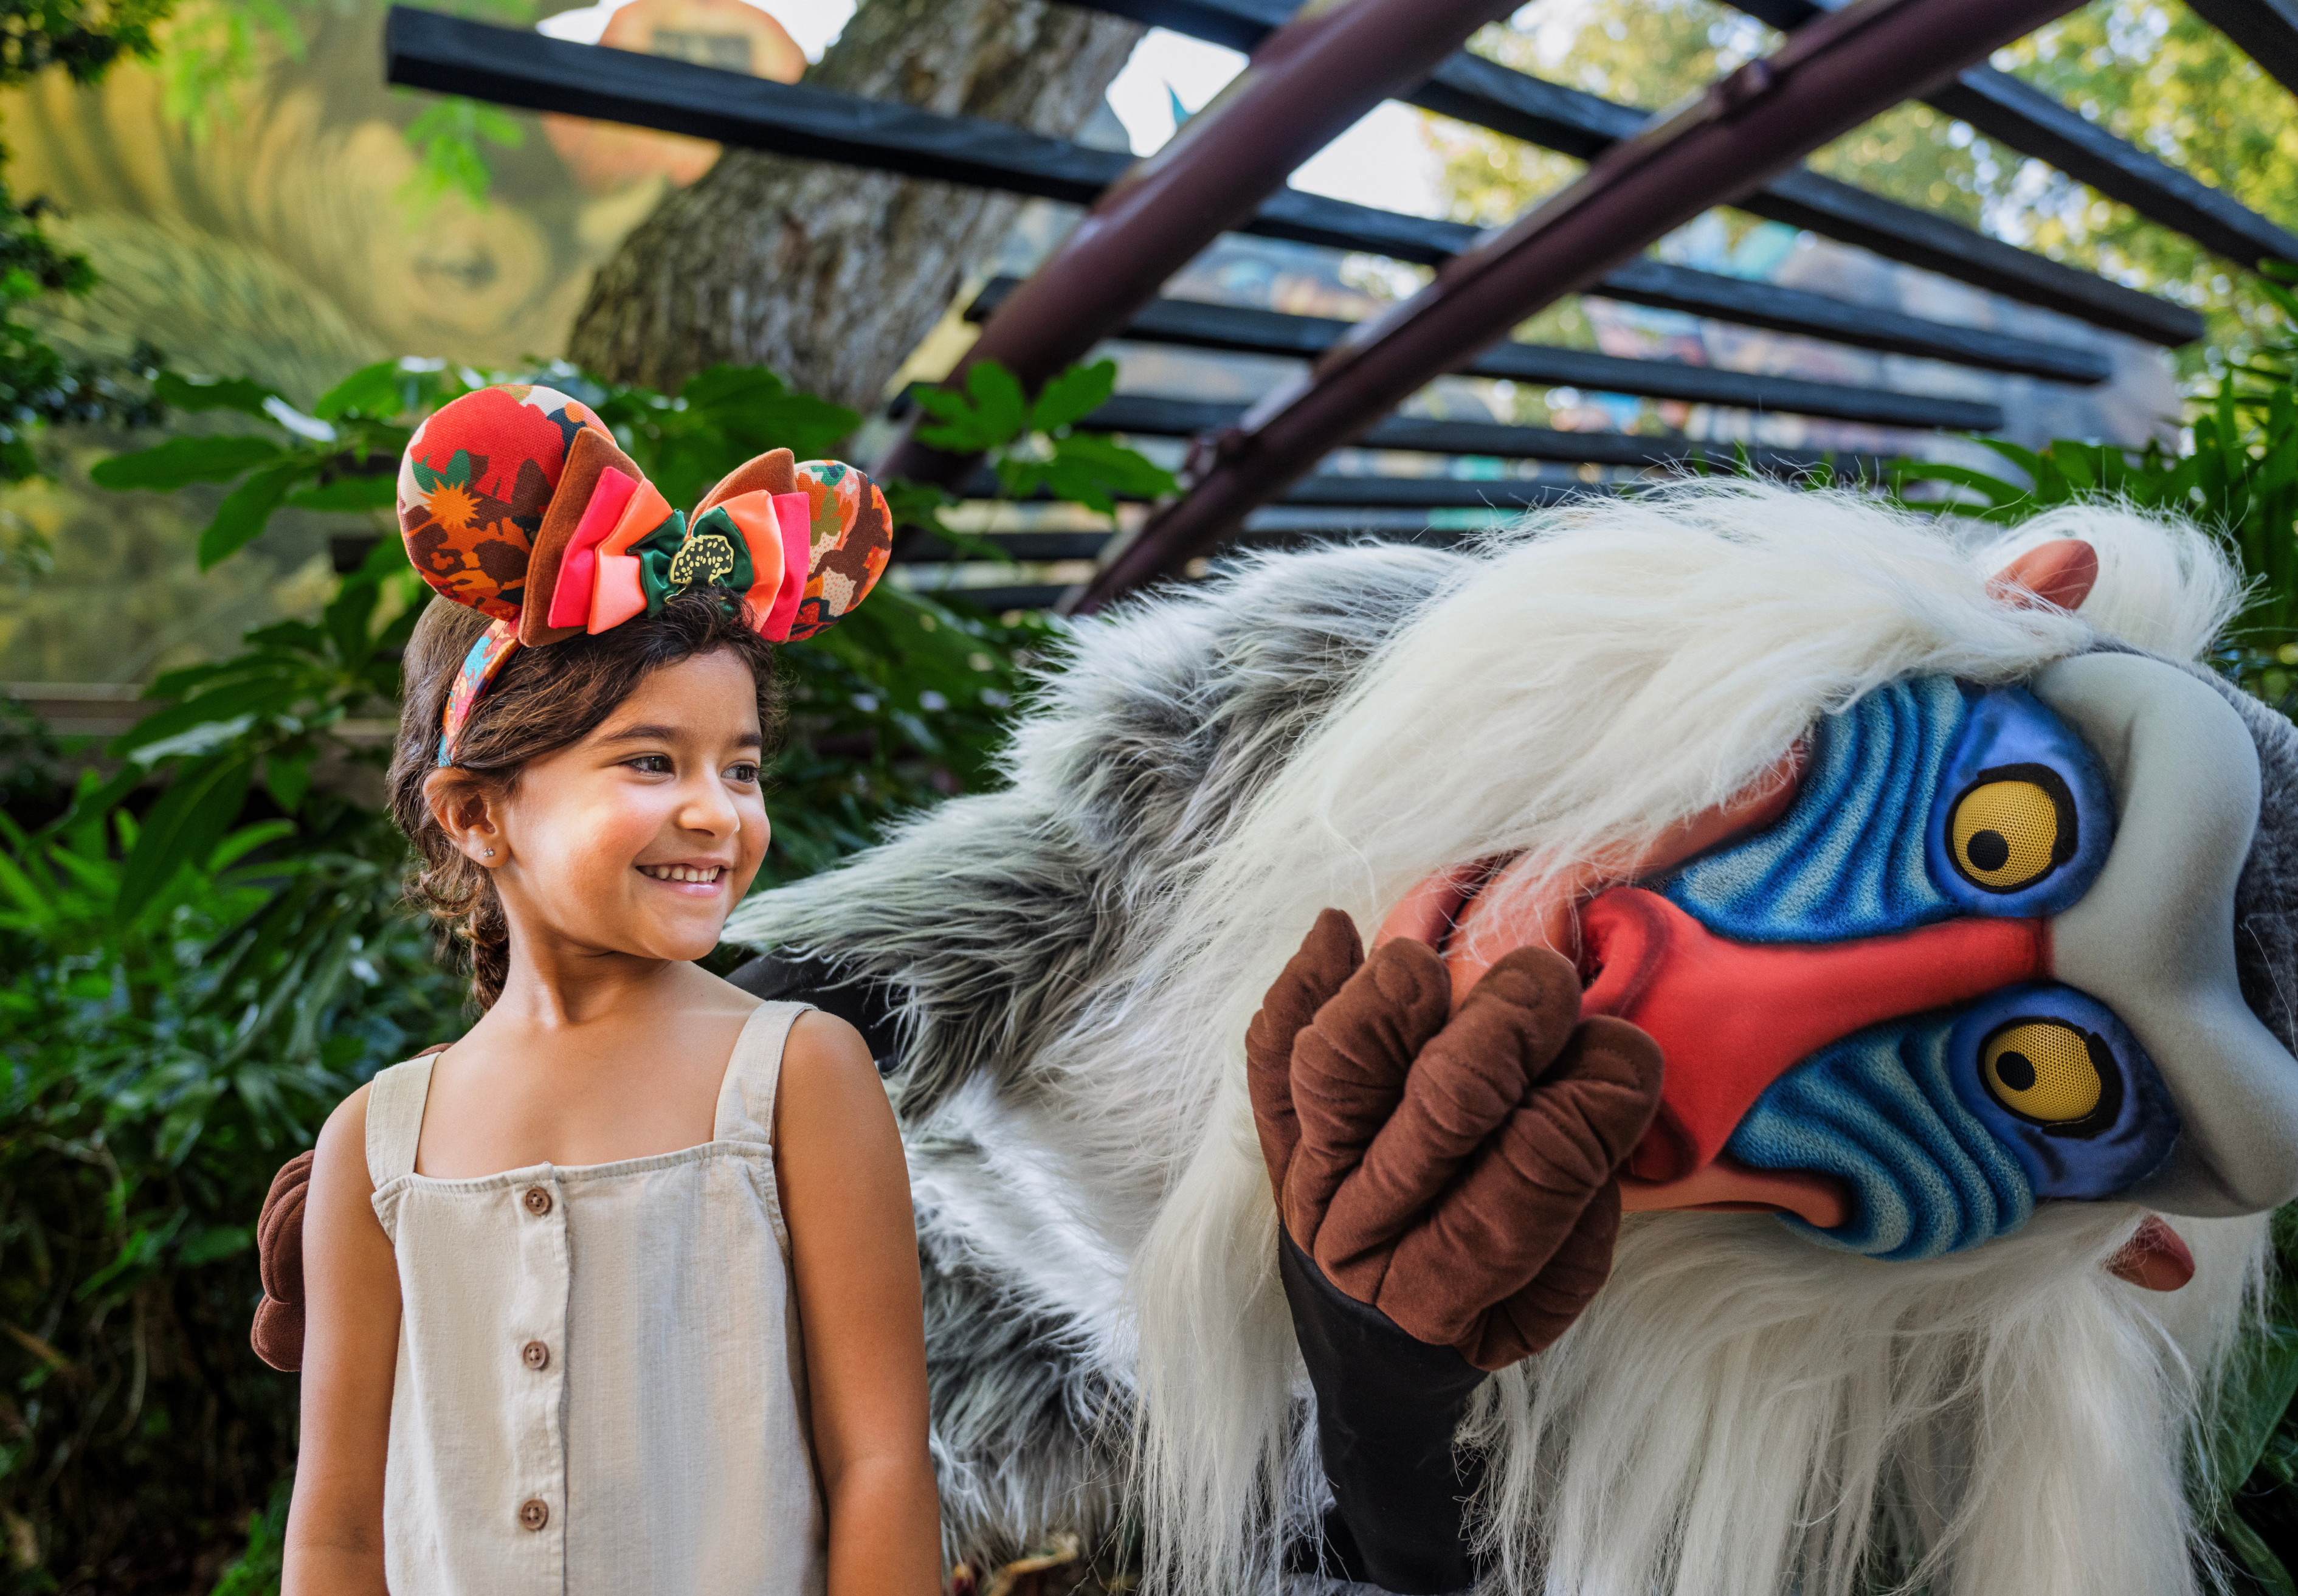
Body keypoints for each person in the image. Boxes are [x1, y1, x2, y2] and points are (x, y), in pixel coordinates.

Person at [279, 383, 933, 1596]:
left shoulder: (795, 1076)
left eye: (739, 767)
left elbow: (884, 1463)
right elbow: (336, 1534)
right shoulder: (375, 1144)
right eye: (650, 760)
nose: (717, 811)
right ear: (477, 813)